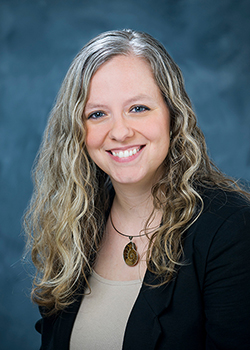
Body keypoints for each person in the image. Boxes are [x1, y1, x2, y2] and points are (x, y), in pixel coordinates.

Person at [24, 29, 250, 350]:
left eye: (138, 108)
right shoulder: (74, 223)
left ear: (173, 115)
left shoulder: (231, 228)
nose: (119, 131)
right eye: (97, 114)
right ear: (78, 129)